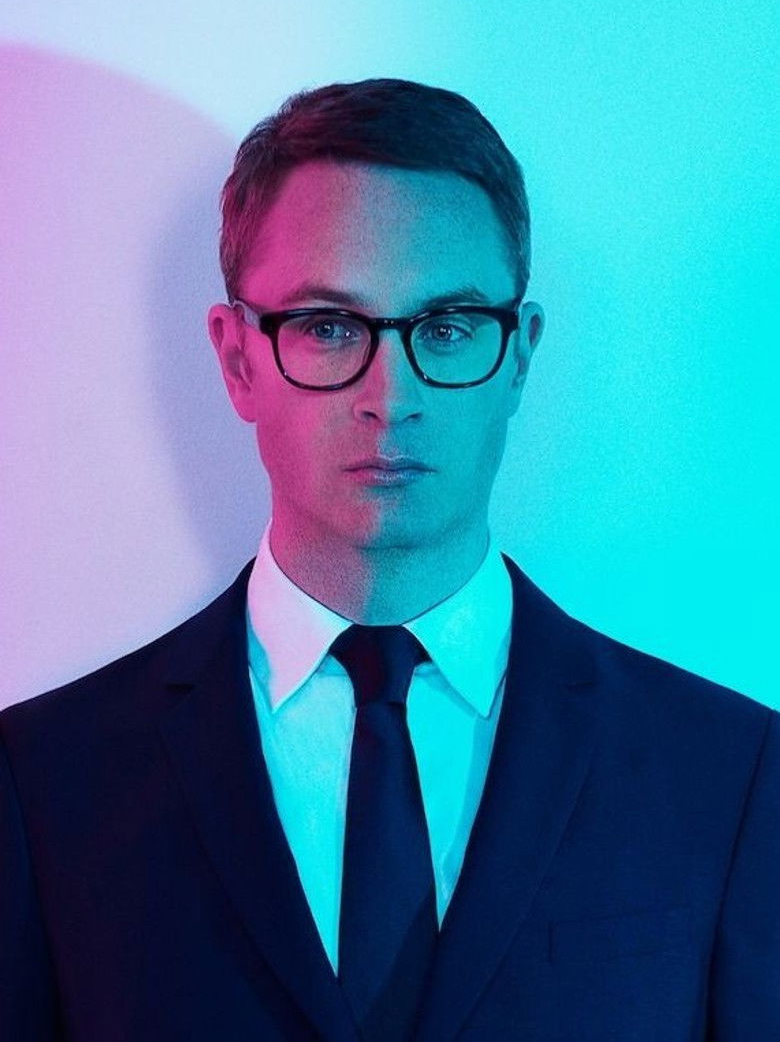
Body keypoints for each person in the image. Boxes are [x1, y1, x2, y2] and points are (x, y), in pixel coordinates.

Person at [1, 78, 777, 1041]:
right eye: (330, 327)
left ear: (520, 355)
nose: (392, 394)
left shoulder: (730, 776)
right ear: (238, 358)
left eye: (446, 329)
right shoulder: (43, 784)